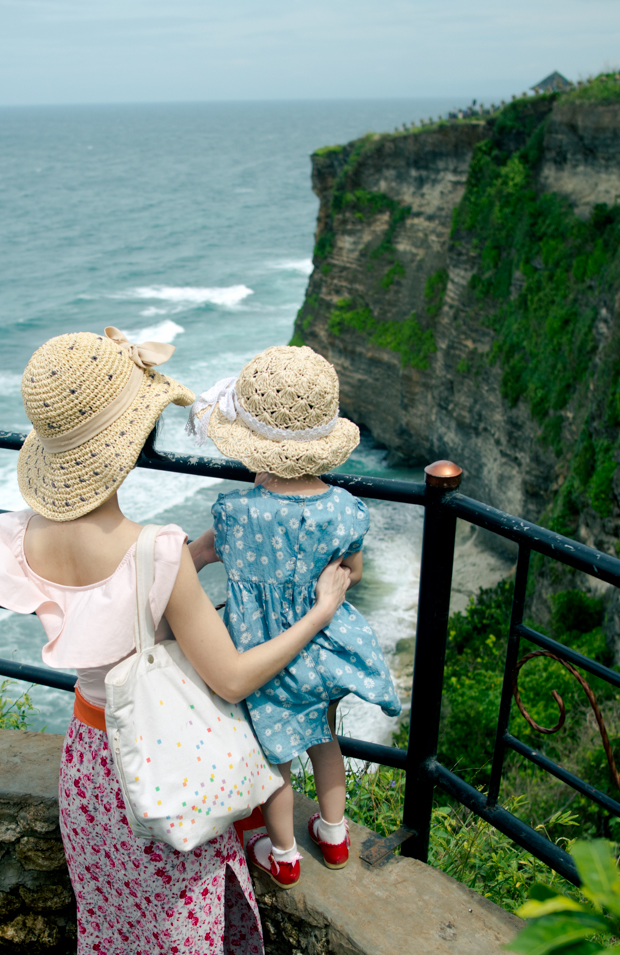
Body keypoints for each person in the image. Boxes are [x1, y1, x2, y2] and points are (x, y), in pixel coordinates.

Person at [0, 327, 353, 954]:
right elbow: (231, 677)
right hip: (159, 767)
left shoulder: (20, 536)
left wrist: (195, 555)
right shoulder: (156, 551)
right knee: (179, 931)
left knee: (116, 926)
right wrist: (319, 611)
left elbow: (111, 603)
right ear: (135, 440)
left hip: (89, 762)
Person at [186, 345, 402, 888]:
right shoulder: (345, 507)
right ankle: (333, 833)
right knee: (325, 738)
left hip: (263, 653)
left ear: (256, 448)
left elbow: (202, 559)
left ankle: (283, 853)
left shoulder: (236, 514)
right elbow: (350, 568)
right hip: (325, 645)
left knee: (276, 756)